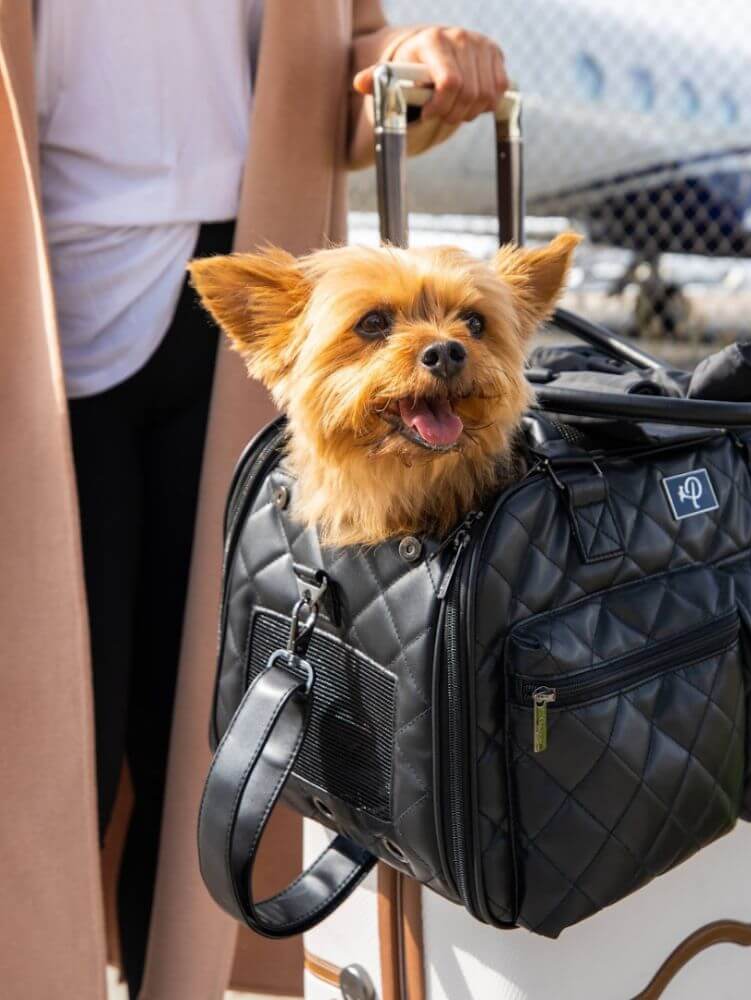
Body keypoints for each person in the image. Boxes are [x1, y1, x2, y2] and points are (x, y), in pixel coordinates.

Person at [30, 3, 506, 996]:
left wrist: (412, 64)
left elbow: (352, 53)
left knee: (222, 735)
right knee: (40, 743)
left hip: (258, 296)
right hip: (27, 286)